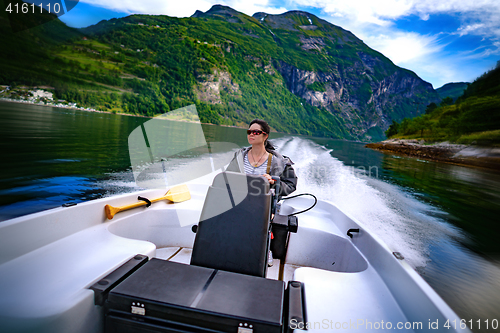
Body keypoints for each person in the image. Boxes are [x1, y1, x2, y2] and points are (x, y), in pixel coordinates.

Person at [226, 119, 297, 198]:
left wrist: (273, 183)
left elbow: (291, 185)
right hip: (237, 201)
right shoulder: (239, 157)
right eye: (249, 132)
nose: (251, 134)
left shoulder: (278, 162)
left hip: (262, 206)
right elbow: (226, 178)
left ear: (265, 136)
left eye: (256, 132)